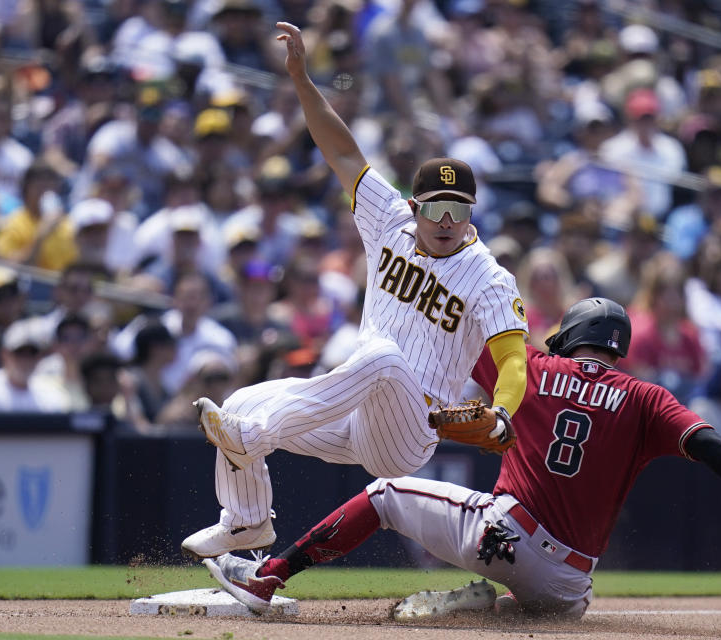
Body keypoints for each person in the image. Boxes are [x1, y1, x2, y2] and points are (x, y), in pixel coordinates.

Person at [203, 297, 721, 618]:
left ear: (571, 335)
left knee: (385, 493)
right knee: (565, 604)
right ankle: (488, 607)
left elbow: (461, 341)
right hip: (568, 581)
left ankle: (267, 577)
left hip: (501, 533)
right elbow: (708, 442)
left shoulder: (536, 368)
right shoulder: (645, 397)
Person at [179, 21, 530, 561]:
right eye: (434, 206)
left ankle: (251, 437)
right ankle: (246, 523)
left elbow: (513, 362)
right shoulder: (389, 220)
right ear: (413, 207)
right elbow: (341, 151)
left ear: (470, 215)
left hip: (412, 430)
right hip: (351, 416)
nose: (445, 218)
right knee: (241, 401)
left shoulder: (489, 276)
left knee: (381, 358)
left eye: (457, 210)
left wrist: (503, 412)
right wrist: (300, 78)